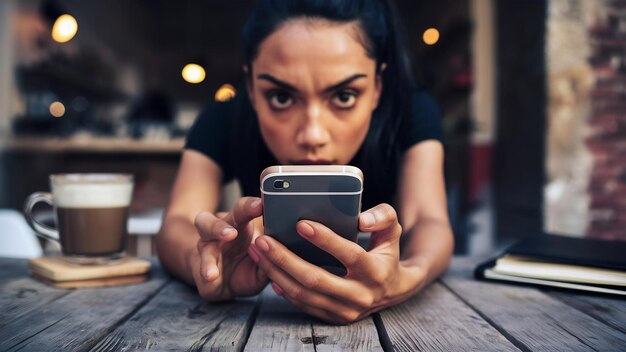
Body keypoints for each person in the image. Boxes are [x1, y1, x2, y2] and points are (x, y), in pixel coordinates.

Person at [157, 0, 454, 324]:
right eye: (281, 97)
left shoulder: (412, 111)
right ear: (253, 89)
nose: (312, 135)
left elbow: (428, 218)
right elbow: (179, 221)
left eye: (344, 96)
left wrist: (407, 277)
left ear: (377, 88)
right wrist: (204, 263)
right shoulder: (222, 119)